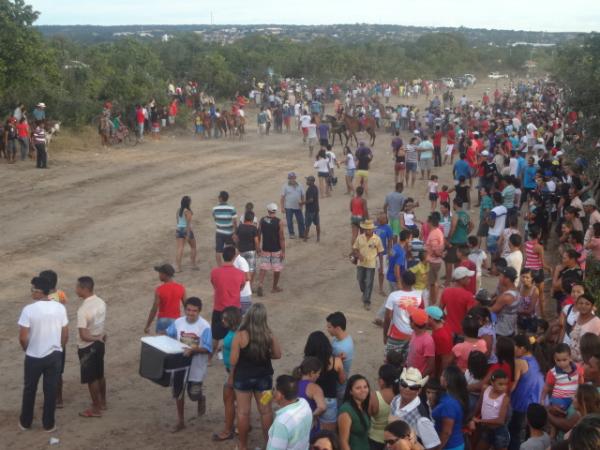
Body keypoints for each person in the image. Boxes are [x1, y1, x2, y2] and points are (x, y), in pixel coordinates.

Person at [18, 276, 68, 432]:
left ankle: (26, 422)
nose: (31, 293)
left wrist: (28, 349)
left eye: (33, 290)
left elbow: (23, 337)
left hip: (34, 356)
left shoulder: (29, 310)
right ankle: (48, 424)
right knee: (50, 390)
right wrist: (58, 349)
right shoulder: (60, 308)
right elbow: (65, 334)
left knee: (29, 389)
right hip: (54, 355)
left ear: (39, 292)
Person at [230, 303, 282, 450]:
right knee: (265, 411)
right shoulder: (269, 335)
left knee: (243, 413)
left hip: (243, 380)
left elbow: (233, 361)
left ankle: (243, 446)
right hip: (263, 380)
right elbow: (278, 354)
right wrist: (266, 354)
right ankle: (268, 444)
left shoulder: (240, 335)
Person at [165, 297, 212, 432]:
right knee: (178, 393)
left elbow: (208, 349)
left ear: (199, 311)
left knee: (193, 395)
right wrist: (162, 335)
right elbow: (169, 334)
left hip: (196, 367)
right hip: (179, 364)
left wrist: (193, 350)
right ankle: (180, 421)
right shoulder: (178, 322)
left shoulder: (205, 327)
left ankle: (200, 398)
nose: (191, 313)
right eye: (188, 310)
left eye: (194, 311)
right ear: (185, 309)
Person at [75, 276, 107, 419]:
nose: (76, 289)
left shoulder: (83, 310)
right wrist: (99, 338)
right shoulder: (101, 302)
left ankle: (96, 407)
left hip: (88, 347)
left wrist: (95, 338)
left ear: (84, 289)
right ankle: (103, 402)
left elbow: (83, 335)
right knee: (100, 374)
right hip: (99, 344)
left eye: (77, 287)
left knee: (91, 378)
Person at [389, 367, 441, 449]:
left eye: (413, 387)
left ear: (419, 390)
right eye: (404, 384)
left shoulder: (422, 419)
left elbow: (434, 446)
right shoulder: (396, 399)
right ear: (399, 384)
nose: (407, 389)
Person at [304, 331, 346, 431]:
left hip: (311, 398)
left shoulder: (307, 363)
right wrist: (340, 362)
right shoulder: (336, 361)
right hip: (329, 400)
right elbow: (342, 381)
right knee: (328, 435)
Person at [508, 335, 544, 450]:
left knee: (515, 435)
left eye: (514, 347)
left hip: (521, 404)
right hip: (535, 403)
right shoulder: (535, 359)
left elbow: (512, 386)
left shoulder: (519, 362)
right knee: (528, 435)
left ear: (522, 348)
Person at [38, 270, 68, 407]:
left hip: (47, 337)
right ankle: (59, 399)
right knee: (58, 371)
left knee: (46, 371)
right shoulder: (60, 294)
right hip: (59, 336)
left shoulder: (44, 297)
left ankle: (51, 400)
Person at [210, 246, 245, 355]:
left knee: (215, 336)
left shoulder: (215, 272)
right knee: (235, 334)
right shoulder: (240, 273)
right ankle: (234, 354)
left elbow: (214, 285)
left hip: (219, 308)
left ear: (223, 256)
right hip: (235, 309)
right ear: (234, 257)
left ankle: (209, 359)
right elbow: (241, 287)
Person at [213, 306, 242, 442]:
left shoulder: (235, 334)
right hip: (235, 372)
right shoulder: (238, 331)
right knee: (239, 401)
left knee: (229, 399)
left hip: (234, 373)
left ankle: (227, 430)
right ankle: (242, 426)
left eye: (224, 318)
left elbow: (237, 358)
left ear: (231, 320)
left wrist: (231, 376)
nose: (222, 321)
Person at [266, 375, 313, 450]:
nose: (272, 391)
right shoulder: (305, 404)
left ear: (280, 395)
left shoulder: (282, 423)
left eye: (274, 389)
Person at [383, 271, 422, 360]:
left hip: (397, 335)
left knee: (390, 360)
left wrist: (385, 335)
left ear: (402, 281)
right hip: (413, 334)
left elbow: (387, 318)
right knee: (407, 362)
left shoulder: (394, 296)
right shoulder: (420, 295)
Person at [433, 365, 468, 450]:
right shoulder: (451, 397)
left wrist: (438, 448)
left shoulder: (449, 404)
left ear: (447, 381)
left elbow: (447, 432)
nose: (440, 377)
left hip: (450, 446)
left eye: (442, 375)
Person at [352, 219, 384, 310]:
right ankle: (364, 293)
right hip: (361, 263)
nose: (368, 231)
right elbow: (355, 248)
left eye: (370, 229)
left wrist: (381, 265)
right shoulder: (359, 238)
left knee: (369, 282)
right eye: (366, 229)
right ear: (364, 229)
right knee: (360, 279)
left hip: (371, 264)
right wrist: (358, 255)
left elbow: (380, 252)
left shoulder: (377, 239)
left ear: (373, 229)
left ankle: (367, 301)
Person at [145, 264, 186, 334]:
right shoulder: (181, 288)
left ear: (165, 275)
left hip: (162, 320)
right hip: (176, 320)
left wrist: (147, 325)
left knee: (161, 343)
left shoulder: (159, 290)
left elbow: (154, 309)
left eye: (160, 273)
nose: (159, 275)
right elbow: (186, 306)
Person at [257, 203, 286, 297]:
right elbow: (281, 237)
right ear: (275, 211)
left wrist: (258, 247)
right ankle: (274, 287)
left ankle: (260, 284)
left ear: (268, 210)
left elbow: (259, 234)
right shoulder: (279, 222)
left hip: (265, 248)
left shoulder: (262, 220)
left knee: (263, 267)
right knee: (277, 268)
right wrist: (283, 251)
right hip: (276, 249)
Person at [368, 364, 399, 450]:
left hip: (375, 438)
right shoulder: (400, 395)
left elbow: (366, 419)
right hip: (393, 439)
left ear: (381, 381)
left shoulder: (374, 397)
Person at [294, 357, 327, 437]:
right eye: (318, 373)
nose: (319, 376)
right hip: (309, 428)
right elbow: (322, 407)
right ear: (312, 373)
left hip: (294, 425)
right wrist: (312, 417)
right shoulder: (314, 388)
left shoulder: (292, 384)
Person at [439, 267, 476, 337]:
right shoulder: (469, 296)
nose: (470, 279)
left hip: (448, 329)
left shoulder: (446, 291)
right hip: (462, 332)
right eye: (467, 278)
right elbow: (471, 316)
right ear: (462, 280)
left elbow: (439, 310)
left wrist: (446, 319)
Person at [338, 374, 371, 450]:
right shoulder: (346, 411)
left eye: (365, 387)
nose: (363, 390)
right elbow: (343, 442)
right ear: (350, 391)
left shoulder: (362, 406)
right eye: (358, 388)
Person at [326, 311, 354, 401]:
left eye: (329, 327)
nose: (327, 329)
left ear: (337, 328)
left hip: (338, 386)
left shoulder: (339, 348)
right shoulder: (346, 337)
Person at [569, 292, 600, 362]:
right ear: (576, 305)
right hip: (571, 359)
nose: (583, 306)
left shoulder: (596, 321)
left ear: (592, 306)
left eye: (587, 304)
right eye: (581, 303)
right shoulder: (576, 316)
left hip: (587, 361)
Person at [491, 267, 521, 338]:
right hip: (510, 328)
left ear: (507, 279)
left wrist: (482, 306)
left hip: (500, 330)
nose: (499, 278)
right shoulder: (516, 291)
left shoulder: (506, 297)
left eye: (501, 276)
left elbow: (492, 311)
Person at [406, 307, 435, 378]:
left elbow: (430, 366)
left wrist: (419, 379)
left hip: (417, 378)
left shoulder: (428, 341)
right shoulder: (413, 333)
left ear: (413, 324)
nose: (408, 322)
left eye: (410, 320)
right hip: (409, 373)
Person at [213, 191, 238, 266]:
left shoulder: (215, 209)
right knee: (231, 250)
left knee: (218, 251)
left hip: (219, 232)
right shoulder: (232, 208)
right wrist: (235, 233)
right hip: (229, 232)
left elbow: (215, 219)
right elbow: (235, 222)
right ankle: (231, 265)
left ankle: (220, 267)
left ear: (220, 198)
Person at [236, 210, 260, 285]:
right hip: (251, 251)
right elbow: (256, 241)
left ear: (244, 218)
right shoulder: (253, 228)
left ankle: (241, 284)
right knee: (252, 269)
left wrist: (238, 247)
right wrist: (258, 250)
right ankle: (249, 286)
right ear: (252, 219)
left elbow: (236, 238)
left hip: (241, 251)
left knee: (242, 269)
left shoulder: (240, 227)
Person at [175, 196, 198, 272]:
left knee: (180, 248)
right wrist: (188, 234)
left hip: (179, 229)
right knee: (193, 247)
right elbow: (188, 223)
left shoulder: (178, 210)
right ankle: (193, 265)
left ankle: (178, 267)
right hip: (186, 230)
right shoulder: (187, 211)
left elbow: (178, 221)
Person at [425, 213, 445, 304]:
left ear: (431, 223)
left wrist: (440, 255)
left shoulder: (433, 234)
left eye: (428, 222)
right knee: (434, 282)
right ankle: (433, 300)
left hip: (433, 261)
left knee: (432, 283)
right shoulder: (438, 231)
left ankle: (432, 301)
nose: (426, 224)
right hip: (436, 261)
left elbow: (435, 251)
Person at [281, 172, 306, 239]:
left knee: (301, 220)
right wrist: (282, 207)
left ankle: (302, 233)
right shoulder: (285, 186)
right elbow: (282, 198)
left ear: (295, 178)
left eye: (293, 178)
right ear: (288, 178)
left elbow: (303, 195)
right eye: (291, 178)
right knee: (289, 221)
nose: (292, 179)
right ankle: (291, 234)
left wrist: (302, 205)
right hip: (288, 207)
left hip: (298, 206)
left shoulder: (300, 185)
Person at [304, 175, 321, 242]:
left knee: (307, 225)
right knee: (317, 224)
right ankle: (318, 238)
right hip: (316, 209)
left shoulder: (310, 189)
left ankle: (305, 238)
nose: (306, 181)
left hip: (310, 210)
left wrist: (302, 203)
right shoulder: (315, 187)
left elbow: (311, 200)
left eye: (308, 180)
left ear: (311, 181)